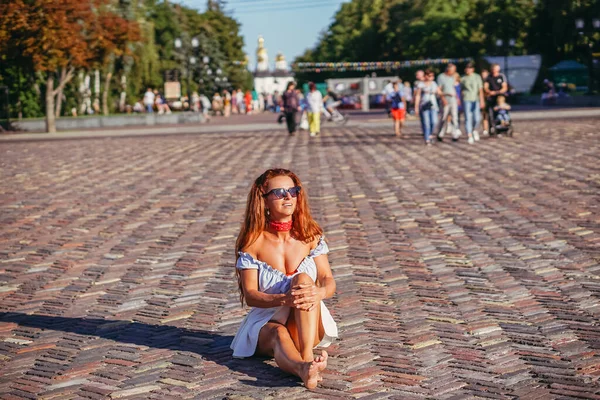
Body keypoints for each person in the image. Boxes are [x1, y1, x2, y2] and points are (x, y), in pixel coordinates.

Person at [231, 168, 338, 389]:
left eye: (293, 191)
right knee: (278, 333)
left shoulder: (310, 235)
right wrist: (284, 300)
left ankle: (306, 355)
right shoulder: (253, 242)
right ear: (264, 199)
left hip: (308, 323)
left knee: (303, 281)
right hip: (267, 323)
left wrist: (318, 292)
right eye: (279, 192)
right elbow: (250, 295)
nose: (288, 197)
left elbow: (328, 279)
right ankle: (305, 368)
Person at [414, 69, 442, 145]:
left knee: (434, 121)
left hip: (433, 105)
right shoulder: (421, 84)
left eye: (432, 76)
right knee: (426, 123)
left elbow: (439, 92)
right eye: (429, 76)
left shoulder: (434, 84)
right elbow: (418, 96)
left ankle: (430, 134)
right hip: (424, 106)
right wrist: (416, 107)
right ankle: (427, 139)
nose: (431, 77)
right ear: (425, 76)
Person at [461, 62, 485, 144]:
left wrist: (482, 100)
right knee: (468, 117)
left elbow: (480, 89)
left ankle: (475, 130)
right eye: (467, 68)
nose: (468, 70)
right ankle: (469, 134)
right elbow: (460, 90)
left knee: (477, 118)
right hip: (467, 99)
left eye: (469, 68)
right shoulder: (463, 78)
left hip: (476, 99)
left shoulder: (477, 77)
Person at [436, 64, 461, 141]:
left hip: (453, 99)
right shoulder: (441, 77)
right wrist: (443, 99)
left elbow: (453, 88)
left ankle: (455, 134)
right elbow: (439, 89)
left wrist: (457, 98)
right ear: (448, 69)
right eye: (453, 70)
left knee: (454, 117)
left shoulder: (452, 78)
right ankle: (440, 133)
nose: (454, 72)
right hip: (445, 99)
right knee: (444, 117)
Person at [484, 64, 508, 135]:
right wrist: (490, 92)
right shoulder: (489, 77)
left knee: (502, 110)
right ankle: (492, 127)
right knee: (491, 113)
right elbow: (486, 87)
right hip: (491, 98)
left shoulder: (501, 76)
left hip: (500, 97)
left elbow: (505, 87)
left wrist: (499, 92)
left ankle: (503, 126)